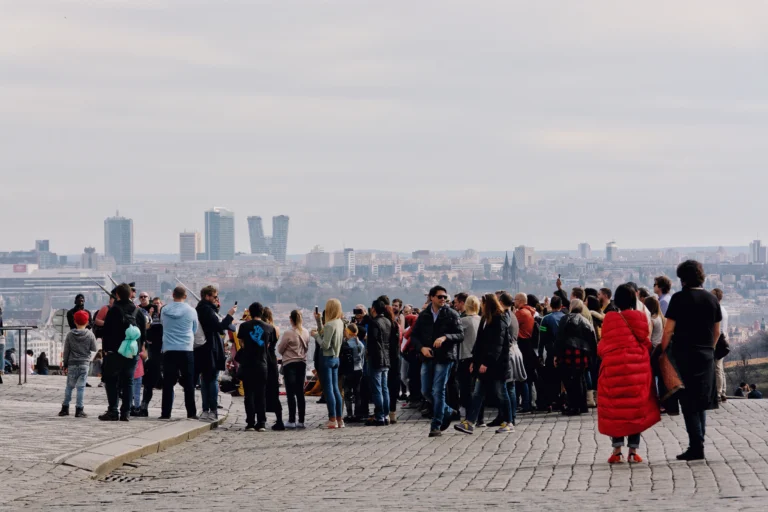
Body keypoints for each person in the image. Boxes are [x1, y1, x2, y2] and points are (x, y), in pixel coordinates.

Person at [662, 260, 721, 461]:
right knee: (701, 401)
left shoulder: (679, 299)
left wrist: (663, 351)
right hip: (705, 355)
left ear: (683, 279)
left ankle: (696, 447)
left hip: (684, 354)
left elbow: (669, 329)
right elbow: (717, 331)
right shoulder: (712, 299)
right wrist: (709, 348)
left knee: (688, 402)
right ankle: (699, 442)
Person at [598, 284, 660, 463]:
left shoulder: (610, 318)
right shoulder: (640, 317)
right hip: (637, 367)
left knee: (615, 408)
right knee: (636, 408)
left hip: (614, 368)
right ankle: (633, 451)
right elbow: (646, 341)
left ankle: (617, 450)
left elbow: (603, 345)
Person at [454, 294, 513, 434]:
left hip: (496, 365)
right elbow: (479, 343)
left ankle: (509, 422)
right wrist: (475, 361)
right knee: (477, 393)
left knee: (501, 393)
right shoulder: (485, 319)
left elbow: (496, 346)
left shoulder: (499, 319)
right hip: (483, 364)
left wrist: (486, 362)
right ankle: (470, 422)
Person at [410, 285, 464, 438]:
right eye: (440, 297)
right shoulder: (424, 315)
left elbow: (460, 334)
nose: (443, 299)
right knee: (426, 391)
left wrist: (445, 337)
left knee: (438, 390)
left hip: (445, 356)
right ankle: (447, 410)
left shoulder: (451, 314)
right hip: (427, 356)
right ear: (432, 298)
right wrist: (421, 348)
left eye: (445, 297)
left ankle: (436, 424)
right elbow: (414, 336)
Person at [99, 283, 146, 422]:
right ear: (130, 294)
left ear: (117, 295)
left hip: (115, 352)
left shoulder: (114, 310)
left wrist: (106, 350)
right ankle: (126, 412)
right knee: (129, 381)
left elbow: (106, 332)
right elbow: (143, 334)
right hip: (132, 352)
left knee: (111, 380)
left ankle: (113, 410)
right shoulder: (137, 311)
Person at [195, 285, 236, 422]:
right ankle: (211, 410)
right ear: (207, 296)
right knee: (210, 380)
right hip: (210, 349)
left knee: (205, 380)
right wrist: (230, 315)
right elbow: (218, 327)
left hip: (204, 349)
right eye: (215, 297)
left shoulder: (202, 309)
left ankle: (206, 409)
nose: (216, 299)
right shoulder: (206, 310)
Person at [159, 286, 199, 420]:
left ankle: (165, 413)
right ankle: (191, 412)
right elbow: (194, 328)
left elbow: (163, 325)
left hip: (169, 348)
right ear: (185, 296)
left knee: (168, 383)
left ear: (172, 295)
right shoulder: (191, 311)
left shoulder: (164, 310)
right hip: (186, 348)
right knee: (189, 383)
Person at [555, 299, 597, 416]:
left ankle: (573, 406)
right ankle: (582, 406)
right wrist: (592, 355)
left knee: (569, 380)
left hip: (568, 353)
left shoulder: (565, 318)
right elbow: (592, 338)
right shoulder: (585, 320)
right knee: (580, 378)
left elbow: (559, 338)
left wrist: (557, 354)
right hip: (582, 353)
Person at [237, 303, 275, 432]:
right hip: (262, 363)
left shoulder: (244, 326)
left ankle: (250, 423)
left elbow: (241, 343)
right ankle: (262, 422)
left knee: (249, 394)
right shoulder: (269, 328)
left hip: (248, 363)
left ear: (251, 313)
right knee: (261, 394)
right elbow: (269, 345)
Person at [59, 310, 97, 418]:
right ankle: (79, 410)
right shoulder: (90, 335)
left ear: (74, 321)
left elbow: (66, 351)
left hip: (72, 363)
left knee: (69, 386)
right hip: (84, 364)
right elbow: (94, 348)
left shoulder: (70, 334)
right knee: (81, 387)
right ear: (87, 322)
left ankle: (65, 408)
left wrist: (65, 363)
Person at [314, 299, 345, 429]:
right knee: (336, 389)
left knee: (329, 390)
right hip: (336, 358)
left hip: (326, 358)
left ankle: (332, 418)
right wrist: (319, 321)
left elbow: (325, 344)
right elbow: (325, 334)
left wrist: (315, 336)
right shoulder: (339, 323)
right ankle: (339, 418)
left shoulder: (330, 324)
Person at [276, 310, 309, 429]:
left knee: (291, 393)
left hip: (290, 363)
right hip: (302, 363)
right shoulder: (305, 332)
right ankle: (301, 420)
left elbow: (280, 349)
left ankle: (291, 419)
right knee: (300, 392)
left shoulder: (288, 333)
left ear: (291, 319)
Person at [366, 299, 392, 426]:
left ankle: (379, 415)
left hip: (376, 358)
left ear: (374, 309)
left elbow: (373, 341)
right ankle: (386, 414)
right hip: (386, 357)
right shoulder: (387, 321)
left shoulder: (374, 323)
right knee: (384, 388)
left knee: (377, 389)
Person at [538, 295, 565, 412]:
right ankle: (562, 401)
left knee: (550, 378)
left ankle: (551, 402)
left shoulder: (546, 319)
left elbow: (542, 338)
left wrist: (540, 354)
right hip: (564, 352)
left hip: (551, 352)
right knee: (562, 378)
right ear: (561, 306)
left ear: (551, 305)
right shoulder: (565, 317)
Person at [458, 295, 481, 419]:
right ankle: (479, 417)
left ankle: (468, 414)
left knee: (465, 388)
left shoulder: (464, 321)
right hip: (479, 357)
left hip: (466, 356)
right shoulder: (481, 320)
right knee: (478, 389)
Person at [514, 293, 537, 414]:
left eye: (516, 300)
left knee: (521, 376)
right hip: (528, 345)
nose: (514, 302)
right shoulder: (529, 312)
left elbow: (511, 325)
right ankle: (527, 403)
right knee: (526, 376)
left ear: (522, 301)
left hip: (521, 344)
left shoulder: (521, 313)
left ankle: (525, 404)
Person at [262, 307, 285, 430]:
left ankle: (261, 419)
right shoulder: (276, 329)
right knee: (273, 391)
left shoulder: (263, 329)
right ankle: (279, 419)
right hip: (272, 359)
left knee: (262, 390)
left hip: (264, 358)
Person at [340, 323, 365, 423]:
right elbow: (362, 359)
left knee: (347, 393)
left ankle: (350, 414)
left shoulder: (347, 344)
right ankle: (358, 414)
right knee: (357, 393)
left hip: (349, 371)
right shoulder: (361, 344)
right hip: (359, 370)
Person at [711, 289, 728, 403]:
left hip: (718, 340)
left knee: (717, 367)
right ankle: (722, 392)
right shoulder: (723, 310)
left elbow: (717, 330)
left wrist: (713, 344)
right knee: (720, 368)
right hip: (723, 338)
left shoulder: (716, 309)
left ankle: (718, 392)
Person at [131, 346, 147, 416]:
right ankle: (137, 408)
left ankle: (130, 406)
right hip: (138, 374)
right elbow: (145, 356)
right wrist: (143, 347)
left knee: (129, 391)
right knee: (137, 393)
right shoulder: (139, 350)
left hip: (130, 373)